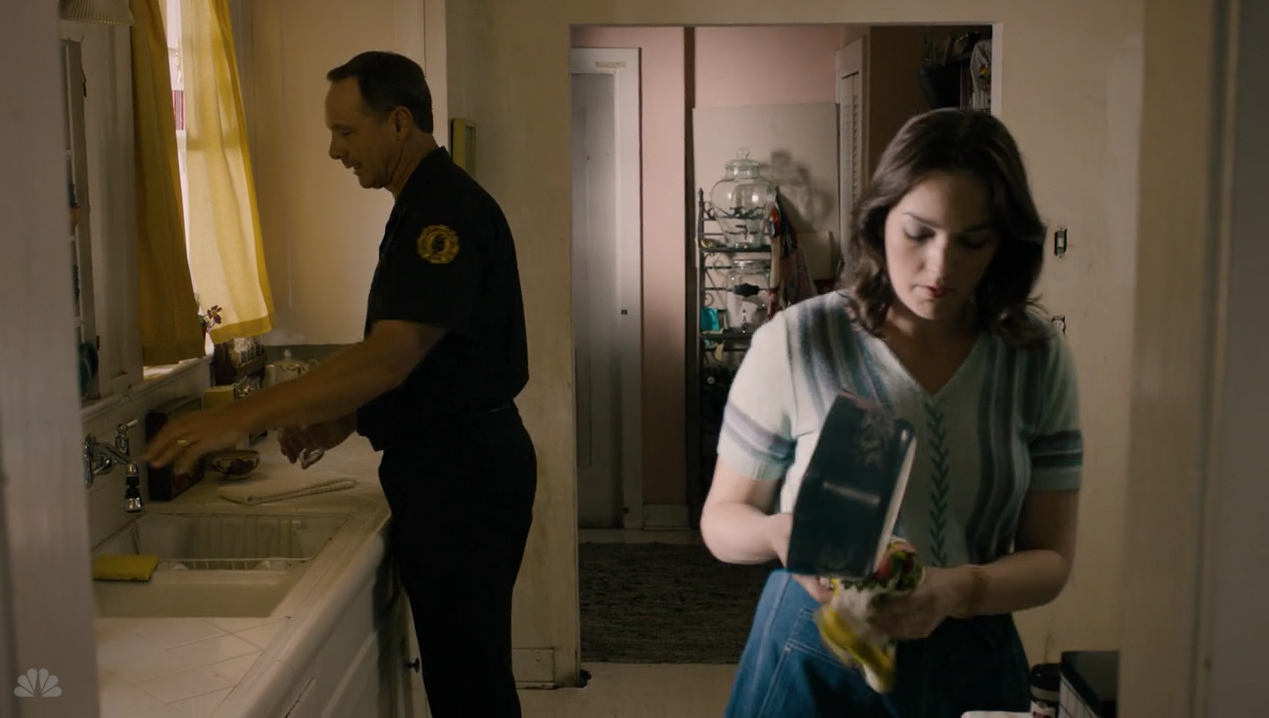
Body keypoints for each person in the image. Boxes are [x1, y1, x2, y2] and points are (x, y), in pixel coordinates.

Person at [146, 51, 536, 717]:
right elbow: (434, 362)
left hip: (462, 475)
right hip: (454, 465)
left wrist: (237, 417)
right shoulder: (420, 204)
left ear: (399, 122)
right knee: (462, 681)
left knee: (470, 689)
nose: (335, 150)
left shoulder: (440, 213)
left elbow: (390, 355)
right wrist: (347, 418)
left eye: (346, 131)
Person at [700, 108, 1082, 718]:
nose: (941, 266)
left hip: (973, 657)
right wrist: (779, 533)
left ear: (1004, 243)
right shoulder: (799, 341)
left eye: (973, 241)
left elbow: (1052, 558)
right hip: (814, 651)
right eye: (919, 233)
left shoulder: (1034, 358)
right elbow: (721, 521)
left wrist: (957, 589)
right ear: (880, 221)